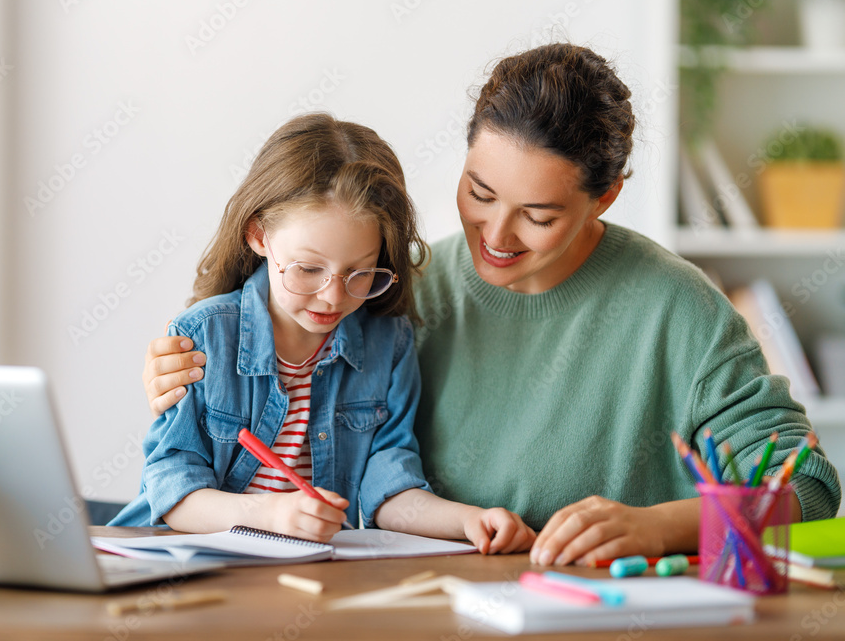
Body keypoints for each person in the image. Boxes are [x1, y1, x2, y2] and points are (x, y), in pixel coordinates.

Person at [140, 44, 841, 566]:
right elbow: (274, 346)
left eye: (537, 214)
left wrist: (662, 525)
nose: (495, 236)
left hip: (604, 619)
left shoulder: (676, 308)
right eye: (478, 191)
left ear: (605, 198)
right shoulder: (392, 290)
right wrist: (176, 372)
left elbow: (808, 489)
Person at [112, 113, 536, 554]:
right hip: (176, 564)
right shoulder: (204, 336)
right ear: (259, 235)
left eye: (359, 272)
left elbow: (388, 487)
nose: (332, 297)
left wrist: (469, 519)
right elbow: (171, 492)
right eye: (309, 268)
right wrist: (271, 514)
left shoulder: (388, 344)